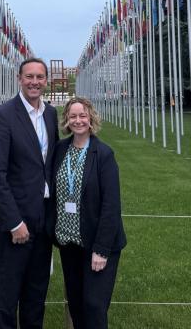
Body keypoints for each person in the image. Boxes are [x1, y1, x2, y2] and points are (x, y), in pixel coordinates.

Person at [0, 58, 59, 329]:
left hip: (42, 222)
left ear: (46, 81)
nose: (34, 82)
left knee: (36, 296)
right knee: (8, 297)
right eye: (29, 77)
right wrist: (15, 223)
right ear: (19, 79)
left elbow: (49, 166)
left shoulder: (50, 114)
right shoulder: (2, 116)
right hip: (12, 224)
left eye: (40, 77)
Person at [47, 97, 126, 329]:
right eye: (73, 116)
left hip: (97, 245)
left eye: (83, 115)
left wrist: (101, 250)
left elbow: (111, 206)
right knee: (77, 305)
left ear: (91, 118)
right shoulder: (60, 149)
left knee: (94, 306)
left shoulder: (103, 154)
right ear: (67, 120)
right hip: (69, 243)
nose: (78, 120)